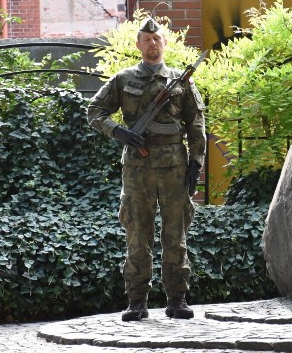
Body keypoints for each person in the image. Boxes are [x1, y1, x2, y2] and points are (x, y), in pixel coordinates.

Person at [88, 18, 206, 321]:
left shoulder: (181, 81)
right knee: (138, 234)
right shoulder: (123, 79)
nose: (152, 44)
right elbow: (95, 111)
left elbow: (196, 124)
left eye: (157, 39)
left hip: (174, 167)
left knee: (175, 235)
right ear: (139, 45)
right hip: (137, 167)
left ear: (164, 43)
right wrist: (118, 131)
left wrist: (196, 163)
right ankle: (137, 301)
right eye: (146, 39)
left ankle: (177, 299)